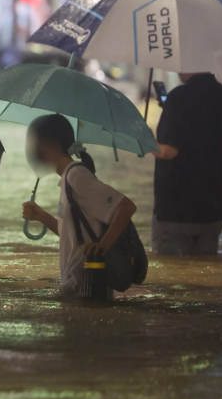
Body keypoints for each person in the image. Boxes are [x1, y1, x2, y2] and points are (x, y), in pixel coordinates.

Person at [21, 115, 138, 298]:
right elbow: (73, 235)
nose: (32, 149)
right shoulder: (67, 178)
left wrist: (102, 247)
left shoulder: (76, 176)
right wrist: (43, 217)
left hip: (89, 288)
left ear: (51, 144)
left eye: (35, 141)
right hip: (76, 288)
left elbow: (126, 207)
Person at [152, 72, 222, 256]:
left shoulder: (178, 97)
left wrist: (141, 140)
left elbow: (168, 151)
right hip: (214, 208)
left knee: (173, 277)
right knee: (206, 277)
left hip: (176, 209)